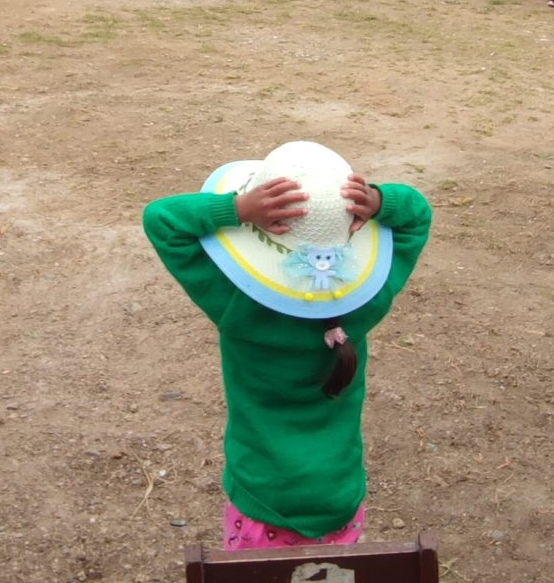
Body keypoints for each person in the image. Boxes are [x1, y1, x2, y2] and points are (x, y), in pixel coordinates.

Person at [143, 142, 431, 550]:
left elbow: (162, 219)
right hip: (341, 496)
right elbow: (417, 214)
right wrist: (379, 201)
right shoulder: (368, 303)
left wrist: (237, 209)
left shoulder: (236, 305)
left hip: (261, 499)